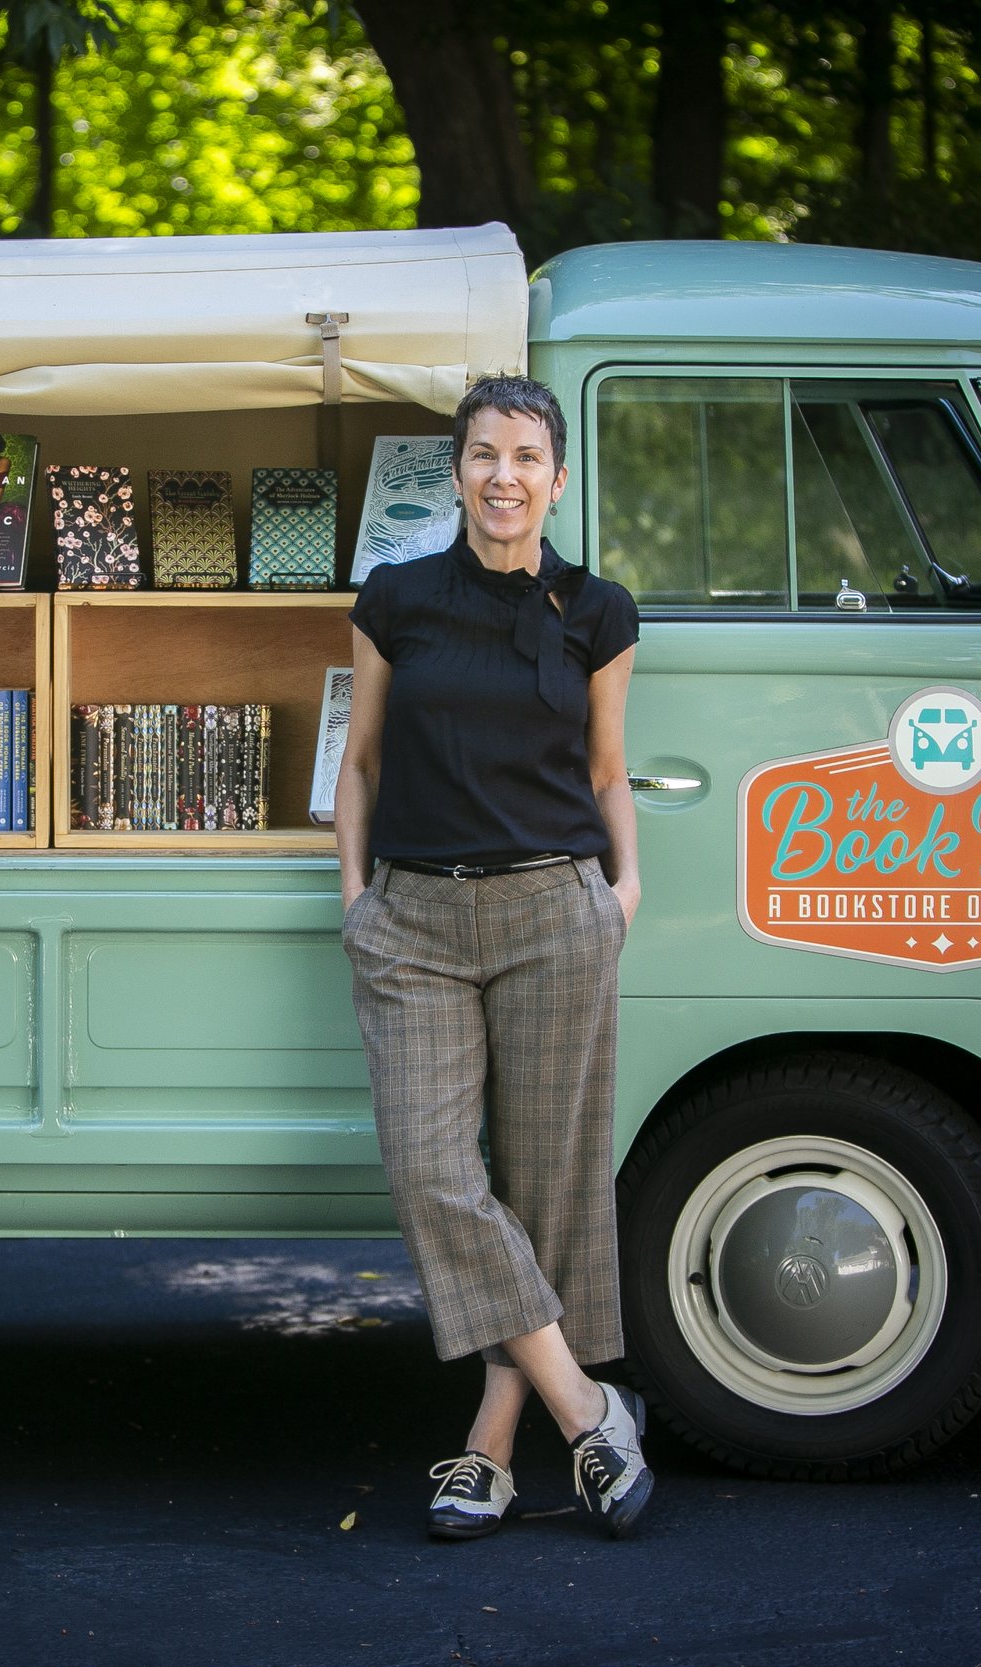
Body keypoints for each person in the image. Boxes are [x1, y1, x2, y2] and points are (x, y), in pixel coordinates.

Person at [336, 373, 650, 1541]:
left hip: (553, 914)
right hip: (412, 923)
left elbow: (607, 769)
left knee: (547, 1187)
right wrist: (356, 898)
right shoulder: (396, 598)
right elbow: (359, 762)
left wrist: (623, 890)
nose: (503, 476)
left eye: (525, 456)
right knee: (431, 1170)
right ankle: (587, 1408)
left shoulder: (598, 610)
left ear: (555, 478)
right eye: (482, 454)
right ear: (456, 471)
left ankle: (489, 1446)